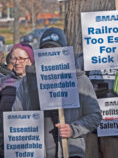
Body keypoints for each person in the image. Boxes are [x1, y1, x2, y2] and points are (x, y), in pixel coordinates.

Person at [12, 27, 101, 158]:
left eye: (55, 50)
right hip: (36, 152)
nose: (51, 54)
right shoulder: (28, 82)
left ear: (64, 52)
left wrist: (73, 129)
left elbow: (95, 116)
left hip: (70, 152)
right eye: (46, 50)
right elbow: (17, 116)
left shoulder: (79, 79)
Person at [0, 43, 34, 158]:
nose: (17, 62)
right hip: (7, 141)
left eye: (22, 58)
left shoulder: (39, 82)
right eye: (14, 58)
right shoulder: (3, 82)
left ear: (30, 60)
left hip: (33, 140)